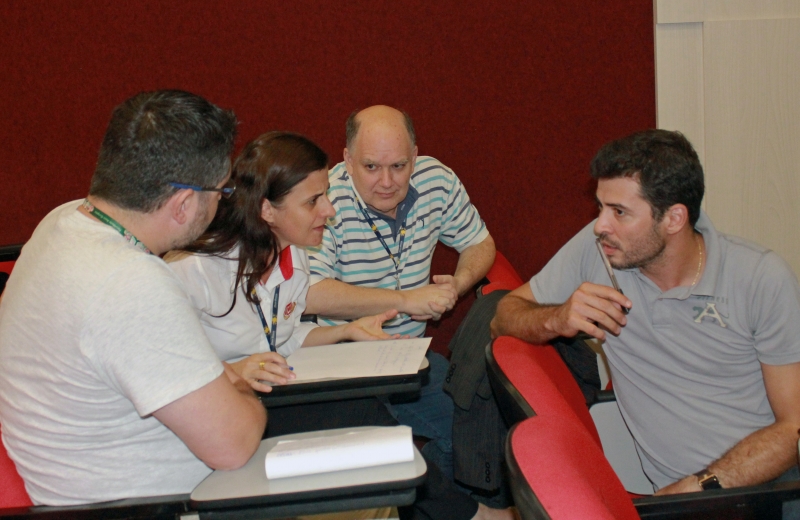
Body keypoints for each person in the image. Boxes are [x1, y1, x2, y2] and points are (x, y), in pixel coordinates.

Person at [167, 131, 513, 520]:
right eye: (313, 201)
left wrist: (344, 331)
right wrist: (230, 370)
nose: (329, 210)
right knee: (364, 417)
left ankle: (468, 514)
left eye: (327, 196)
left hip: (268, 396)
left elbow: (285, 337)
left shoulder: (294, 258)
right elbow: (157, 368)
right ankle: (475, 516)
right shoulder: (193, 271)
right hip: (220, 417)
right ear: (267, 211)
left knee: (372, 415)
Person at [491, 129, 800, 496]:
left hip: (766, 486)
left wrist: (701, 486)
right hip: (682, 501)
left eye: (619, 212)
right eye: (601, 207)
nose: (600, 225)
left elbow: (793, 428)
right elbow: (502, 316)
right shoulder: (598, 250)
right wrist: (557, 317)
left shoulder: (761, 278)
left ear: (674, 218)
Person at [0, 90, 265, 506]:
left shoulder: (60, 222)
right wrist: (240, 389)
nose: (222, 201)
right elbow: (234, 445)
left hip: (83, 493)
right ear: (183, 204)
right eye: (221, 191)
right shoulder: (130, 282)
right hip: (159, 506)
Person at [306, 105, 496, 480]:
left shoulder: (437, 180)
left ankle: (435, 503)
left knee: (479, 434)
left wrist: (458, 284)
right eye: (371, 167)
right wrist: (406, 300)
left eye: (399, 166)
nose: (387, 182)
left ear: (415, 156)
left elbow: (480, 243)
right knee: (381, 466)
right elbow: (311, 294)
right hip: (340, 364)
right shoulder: (324, 201)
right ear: (347, 160)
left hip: (407, 358)